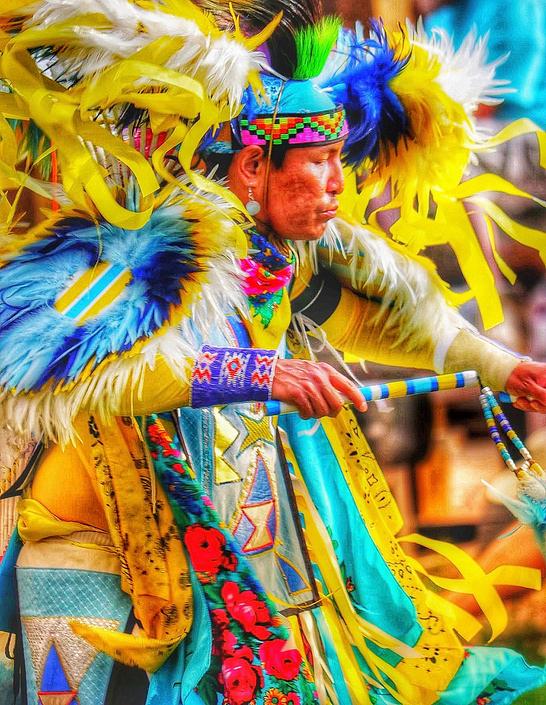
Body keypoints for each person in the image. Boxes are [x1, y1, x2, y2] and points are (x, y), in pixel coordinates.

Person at [0, 3, 545, 705]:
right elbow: (69, 366)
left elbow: (376, 320)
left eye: (338, 160)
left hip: (240, 535)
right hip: (100, 544)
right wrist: (261, 372)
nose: (338, 184)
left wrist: (503, 366)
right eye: (320, 162)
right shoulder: (142, 246)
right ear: (255, 165)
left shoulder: (277, 257)